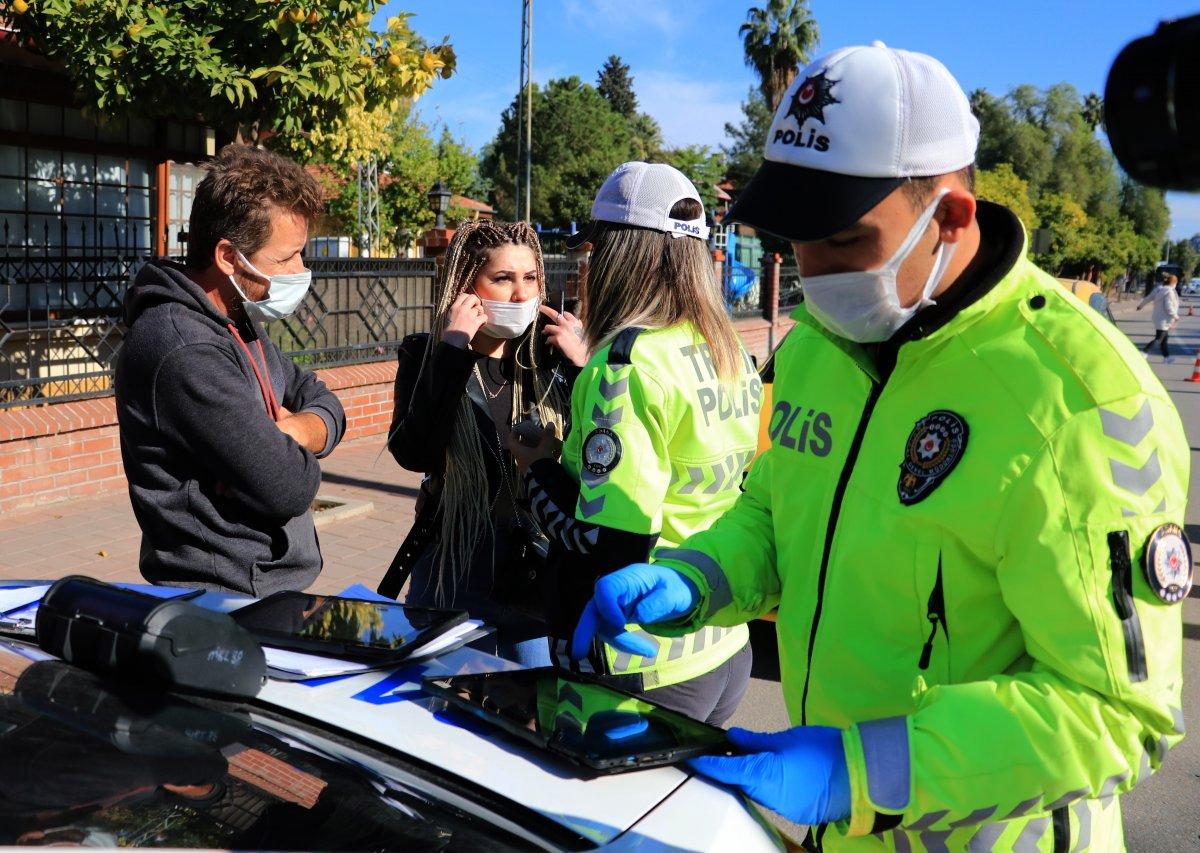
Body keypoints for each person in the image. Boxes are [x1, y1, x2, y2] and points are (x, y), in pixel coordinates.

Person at [571, 44, 1188, 849]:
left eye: (847, 242)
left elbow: (1118, 713)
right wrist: (695, 580)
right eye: (798, 241)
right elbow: (772, 509)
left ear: (952, 218)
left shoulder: (1079, 401)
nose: (813, 272)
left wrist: (862, 772)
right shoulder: (817, 347)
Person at [509, 162, 762, 724]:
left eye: (594, 253)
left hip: (635, 659)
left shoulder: (625, 364)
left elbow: (607, 541)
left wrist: (537, 466)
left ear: (623, 256)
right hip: (718, 643)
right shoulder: (726, 349)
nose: (588, 267)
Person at [115, 145, 345, 595]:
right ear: (227, 256)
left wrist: (297, 431)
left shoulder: (235, 320)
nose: (301, 270)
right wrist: (288, 449)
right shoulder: (185, 347)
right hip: (222, 598)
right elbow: (288, 487)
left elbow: (320, 397)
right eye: (285, 259)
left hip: (264, 588)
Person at [381, 220, 582, 666]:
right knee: (439, 712)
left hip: (536, 567)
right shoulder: (427, 353)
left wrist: (586, 369)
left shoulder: (551, 357)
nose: (520, 294)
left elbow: (600, 457)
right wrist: (452, 352)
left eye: (530, 277)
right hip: (453, 567)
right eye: (503, 278)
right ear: (466, 285)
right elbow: (414, 453)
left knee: (530, 711)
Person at [1138, 273, 1180, 361]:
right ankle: (1144, 352)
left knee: (1164, 339)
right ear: (1174, 283)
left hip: (1158, 317)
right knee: (1159, 339)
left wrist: (1141, 305)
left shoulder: (1159, 290)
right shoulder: (1170, 292)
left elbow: (1148, 298)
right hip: (1164, 319)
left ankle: (1166, 357)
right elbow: (1168, 307)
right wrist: (1175, 316)